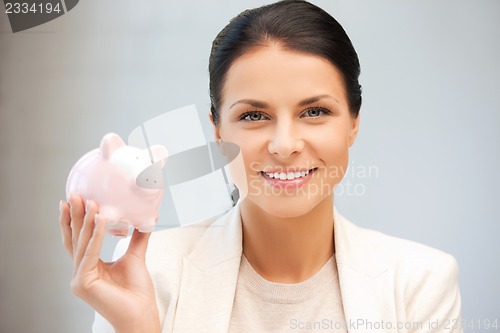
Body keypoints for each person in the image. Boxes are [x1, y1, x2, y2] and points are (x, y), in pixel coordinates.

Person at [59, 1, 463, 332]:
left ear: (354, 122)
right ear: (217, 130)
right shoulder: (153, 273)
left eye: (315, 111)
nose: (284, 145)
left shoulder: (420, 282)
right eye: (254, 116)